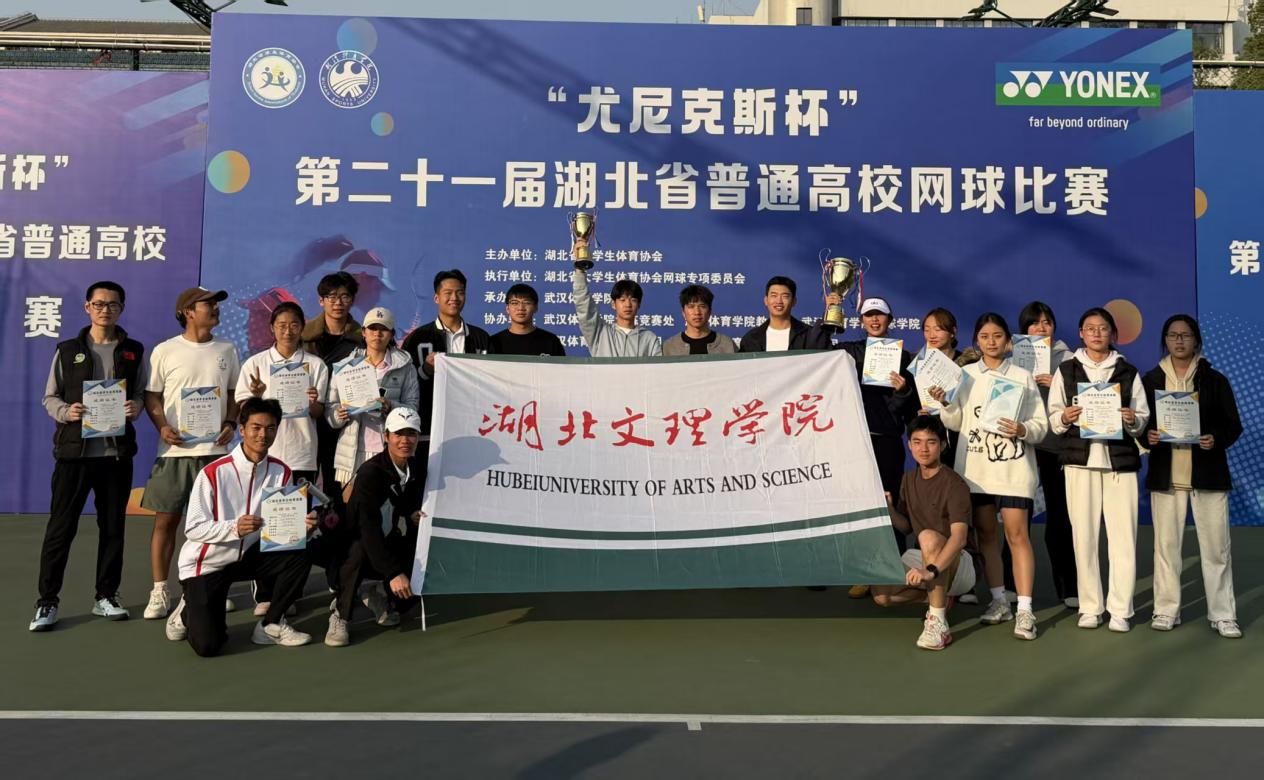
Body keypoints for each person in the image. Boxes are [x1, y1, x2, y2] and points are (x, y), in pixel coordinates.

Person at [30, 282, 145, 631]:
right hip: (74, 456)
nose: (105, 310)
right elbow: (50, 397)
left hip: (115, 456)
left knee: (113, 529)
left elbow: (141, 393)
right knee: (60, 530)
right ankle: (47, 602)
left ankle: (106, 596)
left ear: (121, 308)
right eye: (99, 304)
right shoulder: (68, 351)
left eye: (112, 304)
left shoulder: (133, 351)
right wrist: (67, 412)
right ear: (87, 307)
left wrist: (135, 406)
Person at [163, 398, 317, 656]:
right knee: (208, 646)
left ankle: (270, 625)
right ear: (242, 430)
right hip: (208, 564)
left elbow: (281, 526)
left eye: (270, 428)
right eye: (256, 427)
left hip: (250, 557)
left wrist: (301, 530)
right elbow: (194, 528)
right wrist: (234, 527)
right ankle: (187, 608)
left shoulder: (282, 471)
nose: (263, 435)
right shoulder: (213, 473)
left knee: (302, 551)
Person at [934, 313, 1047, 640]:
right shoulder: (965, 375)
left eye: (997, 335)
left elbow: (1040, 425)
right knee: (986, 535)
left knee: (1017, 535)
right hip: (977, 471)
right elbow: (956, 422)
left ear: (1008, 341)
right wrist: (946, 403)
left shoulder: (1022, 377)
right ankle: (999, 601)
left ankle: (1024, 610)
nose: (991, 342)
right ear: (976, 341)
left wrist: (1022, 429)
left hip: (1013, 470)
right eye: (984, 336)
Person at [140, 287, 241, 620]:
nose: (215, 308)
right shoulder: (165, 350)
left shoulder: (227, 349)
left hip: (216, 452)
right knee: (167, 521)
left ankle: (211, 588)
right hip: (175, 453)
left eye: (216, 304)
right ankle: (159, 590)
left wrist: (231, 422)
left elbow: (234, 394)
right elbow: (152, 396)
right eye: (208, 304)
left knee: (219, 524)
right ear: (187, 311)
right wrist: (162, 426)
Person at [1047, 307, 1150, 632]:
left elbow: (1142, 418)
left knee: (1123, 539)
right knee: (1084, 537)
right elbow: (1054, 418)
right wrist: (1065, 416)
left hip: (1120, 464)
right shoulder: (1066, 370)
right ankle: (1090, 607)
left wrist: (1133, 419)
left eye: (1103, 328)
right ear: (1081, 333)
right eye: (1090, 328)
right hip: (1080, 463)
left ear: (1112, 334)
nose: (1096, 333)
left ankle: (1120, 610)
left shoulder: (1127, 371)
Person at [1142, 315, 1243, 638]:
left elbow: (1232, 424)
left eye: (1185, 335)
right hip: (1166, 475)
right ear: (1165, 340)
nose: (1179, 341)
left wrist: (1215, 438)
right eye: (1173, 335)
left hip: (1208, 474)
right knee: (1166, 547)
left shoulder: (1215, 380)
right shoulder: (1151, 380)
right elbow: (1140, 424)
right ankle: (1166, 609)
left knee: (1216, 548)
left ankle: (1223, 614)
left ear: (1196, 340)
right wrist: (1147, 436)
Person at [236, 301, 330, 617]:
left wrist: (313, 403)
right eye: (281, 325)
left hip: (302, 453)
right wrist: (257, 394)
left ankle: (287, 592)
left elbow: (319, 412)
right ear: (271, 328)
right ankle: (264, 592)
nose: (287, 330)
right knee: (266, 523)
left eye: (293, 325)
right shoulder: (256, 364)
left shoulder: (315, 365)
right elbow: (244, 411)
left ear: (302, 327)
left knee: (295, 526)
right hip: (266, 455)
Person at [325, 407, 426, 647]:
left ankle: (377, 593)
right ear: (386, 436)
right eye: (398, 434)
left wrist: (411, 514)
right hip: (354, 544)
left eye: (411, 434)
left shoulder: (418, 467)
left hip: (389, 539)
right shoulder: (370, 472)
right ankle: (341, 614)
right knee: (358, 551)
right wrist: (393, 572)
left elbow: (402, 501)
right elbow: (366, 527)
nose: (405, 440)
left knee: (411, 597)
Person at [871, 415, 972, 651]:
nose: (923, 449)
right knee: (881, 595)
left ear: (942, 445)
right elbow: (906, 527)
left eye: (931, 442)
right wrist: (889, 510)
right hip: (925, 555)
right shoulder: (908, 479)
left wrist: (931, 570)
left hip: (959, 564)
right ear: (909, 445)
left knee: (927, 536)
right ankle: (939, 599)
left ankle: (938, 623)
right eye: (917, 442)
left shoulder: (955, 484)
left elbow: (959, 539)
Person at [838, 297, 918, 558]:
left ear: (890, 320)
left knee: (889, 501)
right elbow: (817, 350)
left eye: (880, 315)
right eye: (868, 315)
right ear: (861, 321)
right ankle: (858, 563)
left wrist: (903, 391)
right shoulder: (848, 352)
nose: (874, 320)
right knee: (856, 503)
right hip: (855, 441)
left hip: (888, 441)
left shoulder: (905, 358)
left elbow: (910, 409)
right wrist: (832, 311)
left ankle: (895, 562)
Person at [1014, 301, 1078, 610]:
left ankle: (1068, 587)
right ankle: (1011, 587)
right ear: (1023, 329)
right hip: (1022, 447)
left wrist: (1059, 385)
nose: (1041, 328)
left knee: (1060, 519)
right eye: (1034, 323)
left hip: (1055, 448)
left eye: (1046, 322)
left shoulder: (1070, 359)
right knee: (1017, 518)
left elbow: (1087, 402)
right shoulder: (1013, 357)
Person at [328, 307, 420, 489]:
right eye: (372, 328)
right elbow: (330, 407)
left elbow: (413, 408)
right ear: (363, 332)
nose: (377, 334)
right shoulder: (345, 367)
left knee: (388, 502)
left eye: (383, 329)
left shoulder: (405, 366)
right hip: (352, 451)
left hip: (389, 450)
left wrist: (391, 406)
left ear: (391, 334)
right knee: (352, 503)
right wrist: (339, 414)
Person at [402, 269, 492, 449]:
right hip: (429, 427)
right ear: (436, 298)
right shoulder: (417, 338)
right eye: (448, 293)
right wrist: (425, 370)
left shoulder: (481, 338)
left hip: (471, 426)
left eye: (460, 293)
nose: (454, 298)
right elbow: (405, 384)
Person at [301, 271, 364, 509]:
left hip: (343, 421)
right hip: (306, 420)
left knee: (338, 485)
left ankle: (336, 528)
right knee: (302, 482)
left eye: (345, 296)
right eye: (331, 297)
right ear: (321, 301)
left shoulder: (363, 338)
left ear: (352, 300)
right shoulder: (303, 336)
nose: (338, 303)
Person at [570, 239, 661, 357]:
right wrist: (580, 268)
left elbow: (658, 368)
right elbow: (583, 305)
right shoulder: (600, 332)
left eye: (633, 300)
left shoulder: (649, 339)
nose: (628, 305)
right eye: (622, 300)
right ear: (613, 304)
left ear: (639, 304)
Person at [737, 276, 832, 352]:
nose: (779, 301)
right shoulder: (751, 338)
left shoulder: (808, 335)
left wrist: (832, 309)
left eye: (785, 296)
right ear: (766, 300)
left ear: (794, 301)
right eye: (774, 295)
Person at [488, 283, 566, 356]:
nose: (521, 308)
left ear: (536, 307)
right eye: (515, 303)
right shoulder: (494, 342)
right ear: (507, 308)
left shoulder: (551, 341)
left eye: (527, 303)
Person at [662, 285, 737, 356]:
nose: (697, 312)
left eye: (702, 306)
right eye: (691, 307)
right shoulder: (669, 347)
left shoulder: (727, 344)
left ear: (710, 311)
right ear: (683, 313)